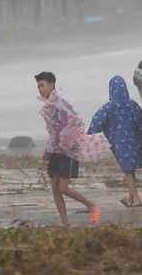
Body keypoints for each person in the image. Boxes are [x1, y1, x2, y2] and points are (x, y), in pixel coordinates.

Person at [35, 71, 100, 224]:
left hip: (69, 150)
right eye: (38, 86)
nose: (40, 89)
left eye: (42, 85)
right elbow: (53, 131)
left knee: (63, 188)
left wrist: (65, 143)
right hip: (56, 150)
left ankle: (92, 206)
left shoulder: (61, 102)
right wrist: (47, 150)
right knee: (54, 187)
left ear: (51, 84)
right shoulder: (49, 105)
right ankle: (65, 223)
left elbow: (76, 122)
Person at [88, 75, 142, 207]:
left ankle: (136, 200)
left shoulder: (109, 107)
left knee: (127, 171)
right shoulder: (132, 105)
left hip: (120, 144)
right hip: (135, 142)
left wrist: (89, 133)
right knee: (130, 170)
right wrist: (141, 133)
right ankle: (131, 198)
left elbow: (96, 122)